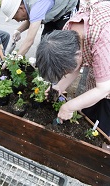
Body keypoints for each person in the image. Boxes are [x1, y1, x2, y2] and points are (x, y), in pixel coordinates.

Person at [35, 0, 110, 136]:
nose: (65, 73)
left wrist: (69, 106)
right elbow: (75, 65)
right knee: (90, 110)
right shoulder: (68, 32)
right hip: (102, 64)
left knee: (105, 125)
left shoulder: (102, 38)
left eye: (64, 72)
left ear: (78, 54)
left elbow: (104, 88)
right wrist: (59, 87)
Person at [1, 0, 80, 56]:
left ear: (21, 8)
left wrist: (13, 62)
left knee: (62, 47)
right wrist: (18, 30)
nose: (17, 21)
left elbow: (29, 41)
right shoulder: (29, 4)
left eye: (15, 17)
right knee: (45, 46)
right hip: (52, 14)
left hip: (66, 8)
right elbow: (33, 19)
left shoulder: (37, 6)